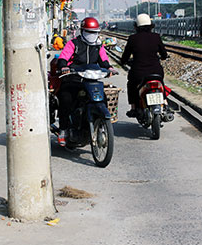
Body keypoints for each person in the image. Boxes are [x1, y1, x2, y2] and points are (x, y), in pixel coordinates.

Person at [56, 17, 117, 146]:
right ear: (83, 31)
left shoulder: (98, 46)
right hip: (74, 79)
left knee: (103, 99)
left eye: (95, 32)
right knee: (66, 98)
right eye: (89, 32)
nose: (92, 35)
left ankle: (100, 125)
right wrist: (63, 67)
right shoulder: (74, 43)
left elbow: (104, 61)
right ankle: (64, 128)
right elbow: (63, 58)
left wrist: (110, 68)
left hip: (92, 80)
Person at [120, 13, 168, 118]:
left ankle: (133, 108)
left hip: (138, 72)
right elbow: (164, 54)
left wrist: (123, 62)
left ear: (136, 26)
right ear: (150, 25)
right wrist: (163, 57)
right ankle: (164, 102)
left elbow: (125, 56)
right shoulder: (156, 37)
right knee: (161, 84)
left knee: (131, 85)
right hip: (156, 70)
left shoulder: (132, 38)